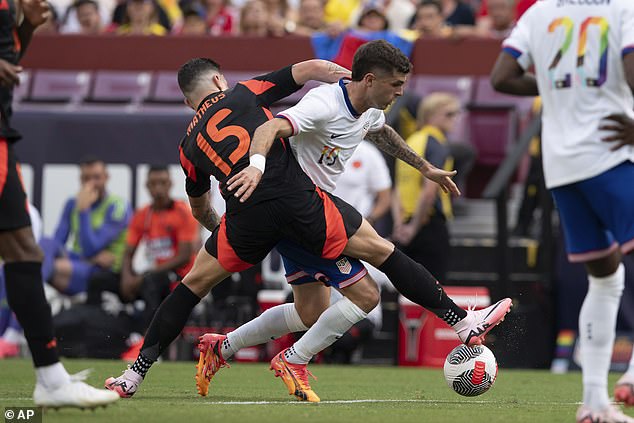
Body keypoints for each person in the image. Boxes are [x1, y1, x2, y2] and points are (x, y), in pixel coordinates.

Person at [105, 54, 511, 401]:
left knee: (207, 290)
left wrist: (224, 232)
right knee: (379, 262)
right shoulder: (247, 92)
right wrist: (342, 80)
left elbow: (198, 205)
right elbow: (307, 72)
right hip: (298, 201)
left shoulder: (187, 145)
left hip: (245, 216)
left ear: (185, 99)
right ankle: (462, 323)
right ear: (217, 80)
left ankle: (135, 374)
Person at [490, 0, 634, 421]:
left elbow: (501, 77)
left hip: (562, 166)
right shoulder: (623, 8)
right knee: (611, 276)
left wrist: (556, 86)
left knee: (606, 277)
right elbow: (629, 66)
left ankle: (594, 401)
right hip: (612, 153)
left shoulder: (538, 13)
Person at [0, 0, 118, 408]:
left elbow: (8, 63)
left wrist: (28, 29)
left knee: (26, 251)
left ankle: (49, 375)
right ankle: (47, 374)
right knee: (30, 251)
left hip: (3, 136)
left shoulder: (115, 204)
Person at [119, 165, 200, 358]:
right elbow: (128, 253)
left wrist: (146, 274)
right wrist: (126, 278)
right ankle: (112, 341)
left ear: (170, 184)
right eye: (154, 184)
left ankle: (147, 344)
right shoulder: (143, 215)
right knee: (102, 280)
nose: (158, 188)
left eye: (162, 183)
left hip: (180, 275)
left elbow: (184, 255)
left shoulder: (181, 212)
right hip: (153, 273)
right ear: (147, 186)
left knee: (152, 283)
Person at [393, 92, 459, 282]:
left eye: (456, 113)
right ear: (430, 115)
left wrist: (399, 225)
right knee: (435, 292)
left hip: (405, 223)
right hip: (428, 223)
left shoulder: (410, 141)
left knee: (407, 290)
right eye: (448, 114)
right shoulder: (436, 143)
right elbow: (429, 191)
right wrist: (413, 228)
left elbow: (398, 188)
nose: (454, 119)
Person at [43, 156, 131, 296]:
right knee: (45, 243)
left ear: (106, 177)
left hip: (103, 272)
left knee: (43, 268)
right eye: (86, 178)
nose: (90, 184)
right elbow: (57, 243)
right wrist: (82, 257)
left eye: (96, 177)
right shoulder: (72, 203)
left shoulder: (118, 206)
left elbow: (92, 248)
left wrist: (84, 210)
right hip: (80, 261)